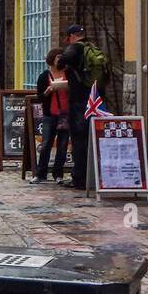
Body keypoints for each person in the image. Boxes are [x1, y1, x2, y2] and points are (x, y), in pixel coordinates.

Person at [56, 24, 91, 189]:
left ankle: (79, 179)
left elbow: (60, 63)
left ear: (71, 36)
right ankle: (92, 175)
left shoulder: (75, 48)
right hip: (93, 101)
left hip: (78, 101)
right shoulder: (91, 48)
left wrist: (62, 59)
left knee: (78, 139)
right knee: (91, 138)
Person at [35, 47, 70, 184]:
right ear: (51, 59)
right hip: (50, 114)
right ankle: (41, 173)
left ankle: (58, 174)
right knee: (46, 144)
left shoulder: (69, 74)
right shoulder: (45, 76)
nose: (60, 60)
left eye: (62, 57)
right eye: (57, 57)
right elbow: (39, 97)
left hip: (65, 114)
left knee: (62, 145)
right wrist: (47, 92)